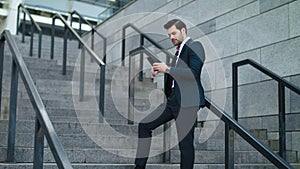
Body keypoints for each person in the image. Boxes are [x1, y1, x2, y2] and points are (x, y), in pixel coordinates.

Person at [134, 19, 206, 169]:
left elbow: (193, 73)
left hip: (187, 103)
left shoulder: (195, 46)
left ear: (183, 30)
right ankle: (139, 167)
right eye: (169, 35)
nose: (171, 37)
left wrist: (167, 69)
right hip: (172, 101)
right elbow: (175, 75)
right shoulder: (178, 53)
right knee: (144, 126)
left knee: (185, 145)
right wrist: (159, 70)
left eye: (174, 33)